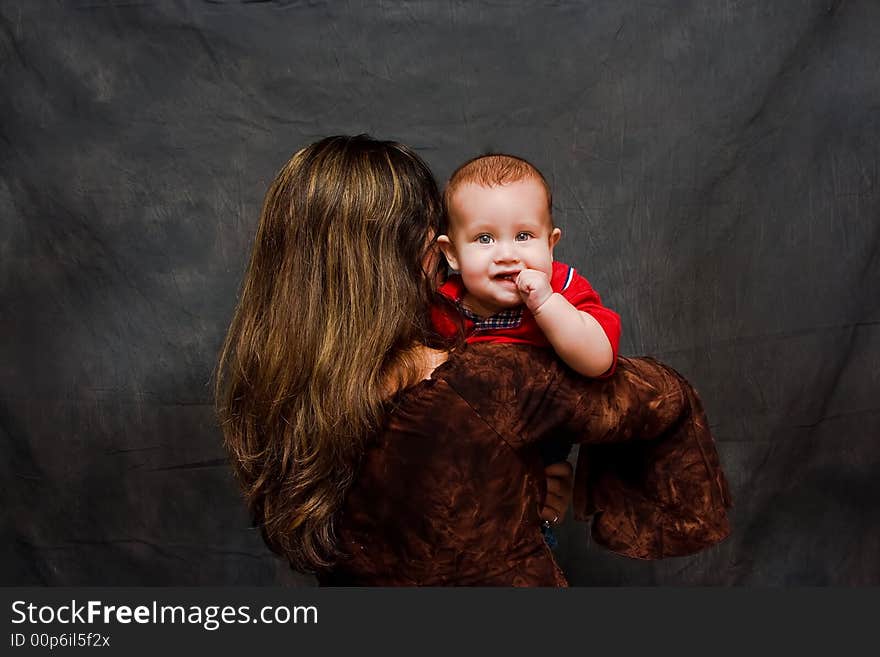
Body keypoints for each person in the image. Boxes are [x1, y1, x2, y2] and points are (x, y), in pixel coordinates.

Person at [215, 134, 732, 586]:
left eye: (522, 237)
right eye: (475, 238)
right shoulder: (482, 382)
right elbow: (662, 398)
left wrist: (519, 481)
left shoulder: (270, 387)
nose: (503, 255)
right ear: (427, 248)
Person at [431, 154, 621, 548]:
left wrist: (546, 304)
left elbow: (599, 359)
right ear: (451, 254)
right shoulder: (442, 305)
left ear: (551, 244)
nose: (506, 253)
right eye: (484, 239)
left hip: (533, 466)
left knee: (524, 546)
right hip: (457, 464)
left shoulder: (564, 288)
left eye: (524, 236)